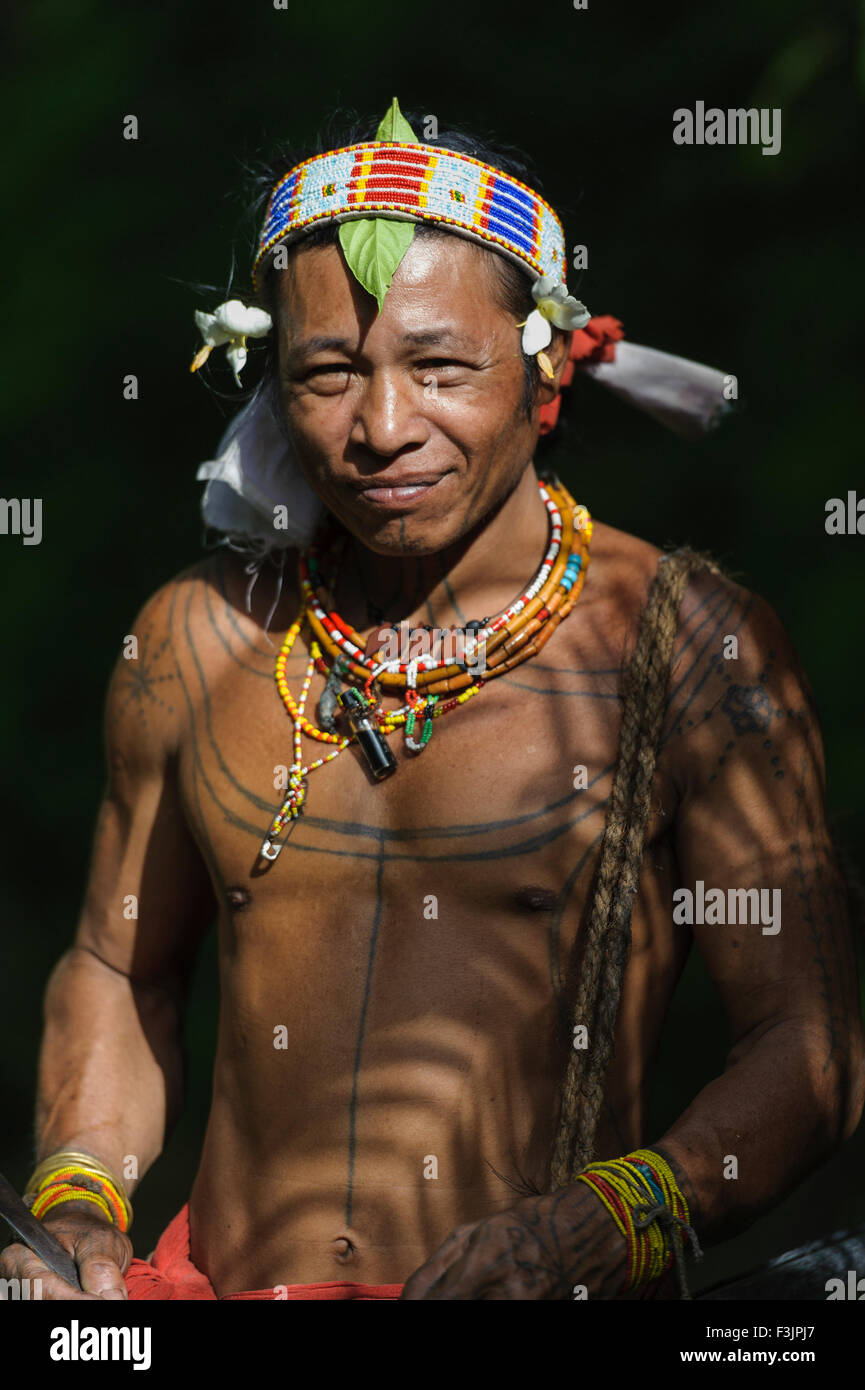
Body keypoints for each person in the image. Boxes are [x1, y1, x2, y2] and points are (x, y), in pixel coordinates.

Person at [2, 100, 862, 1303]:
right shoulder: (195, 640)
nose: (384, 428)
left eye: (441, 366)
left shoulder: (685, 648)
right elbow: (118, 962)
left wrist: (613, 1217)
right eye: (329, 375)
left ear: (546, 363)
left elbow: (809, 1050)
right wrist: (80, 1198)